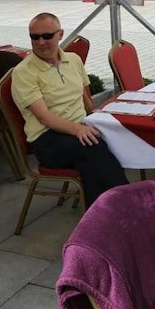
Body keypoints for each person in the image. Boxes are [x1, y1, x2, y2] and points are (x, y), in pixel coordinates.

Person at [11, 12, 127, 204]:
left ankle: (101, 217)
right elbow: (44, 118)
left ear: (60, 34)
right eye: (34, 37)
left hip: (78, 131)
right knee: (93, 147)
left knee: (93, 159)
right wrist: (79, 129)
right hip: (47, 139)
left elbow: (86, 100)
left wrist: (99, 118)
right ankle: (128, 201)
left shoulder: (73, 60)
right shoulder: (24, 72)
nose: (40, 42)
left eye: (47, 36)